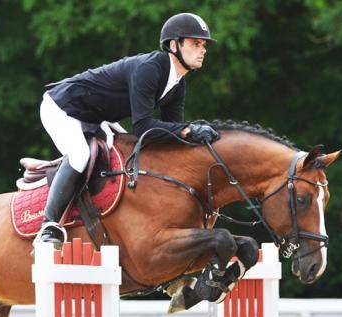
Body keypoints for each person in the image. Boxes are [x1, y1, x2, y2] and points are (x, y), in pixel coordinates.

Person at [35, 12, 221, 248]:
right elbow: (143, 126)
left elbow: (169, 133)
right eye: (196, 44)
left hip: (97, 117)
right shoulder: (150, 68)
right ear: (174, 45)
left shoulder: (178, 83)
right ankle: (49, 226)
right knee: (80, 155)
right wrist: (187, 131)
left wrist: (191, 137)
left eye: (203, 45)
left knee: (125, 151)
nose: (202, 50)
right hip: (63, 107)